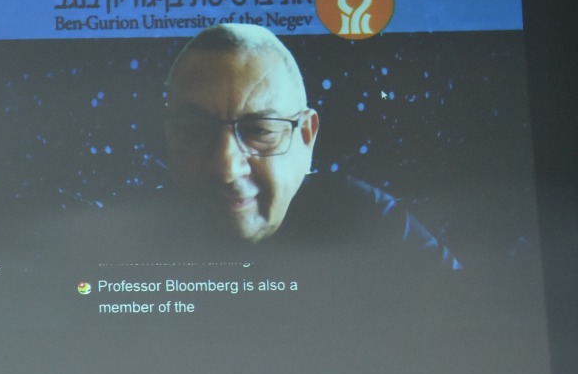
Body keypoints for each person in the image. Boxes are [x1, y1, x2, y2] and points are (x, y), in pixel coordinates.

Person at [158, 23, 458, 268]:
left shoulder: (363, 215)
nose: (227, 168)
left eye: (260, 130)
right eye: (195, 129)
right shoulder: (135, 227)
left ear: (306, 136)